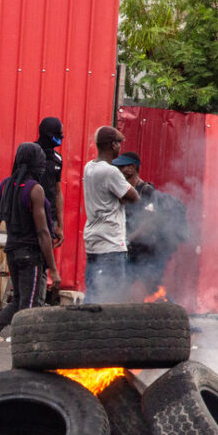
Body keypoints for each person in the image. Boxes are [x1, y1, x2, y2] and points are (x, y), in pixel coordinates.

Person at [0, 142, 61, 371]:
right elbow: (42, 233)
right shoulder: (35, 190)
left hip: (12, 252)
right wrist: (54, 269)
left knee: (21, 303)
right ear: (36, 164)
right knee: (29, 310)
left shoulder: (5, 186)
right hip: (32, 256)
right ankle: (23, 364)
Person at [115, 151, 185, 300]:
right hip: (132, 248)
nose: (119, 170)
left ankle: (172, 314)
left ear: (132, 168)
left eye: (122, 167)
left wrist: (129, 238)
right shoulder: (125, 190)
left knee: (151, 289)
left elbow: (148, 221)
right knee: (126, 285)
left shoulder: (146, 191)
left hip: (147, 250)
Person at [82, 128, 138, 304]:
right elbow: (134, 197)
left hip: (93, 242)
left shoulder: (89, 167)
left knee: (92, 296)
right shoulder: (111, 172)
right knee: (112, 300)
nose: (120, 147)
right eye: (119, 143)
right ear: (113, 145)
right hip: (111, 244)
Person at [36, 117, 65, 248]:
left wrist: (60, 225)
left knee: (45, 261)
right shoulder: (30, 152)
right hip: (28, 218)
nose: (62, 137)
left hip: (49, 219)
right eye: (59, 134)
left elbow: (58, 193)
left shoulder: (57, 159)